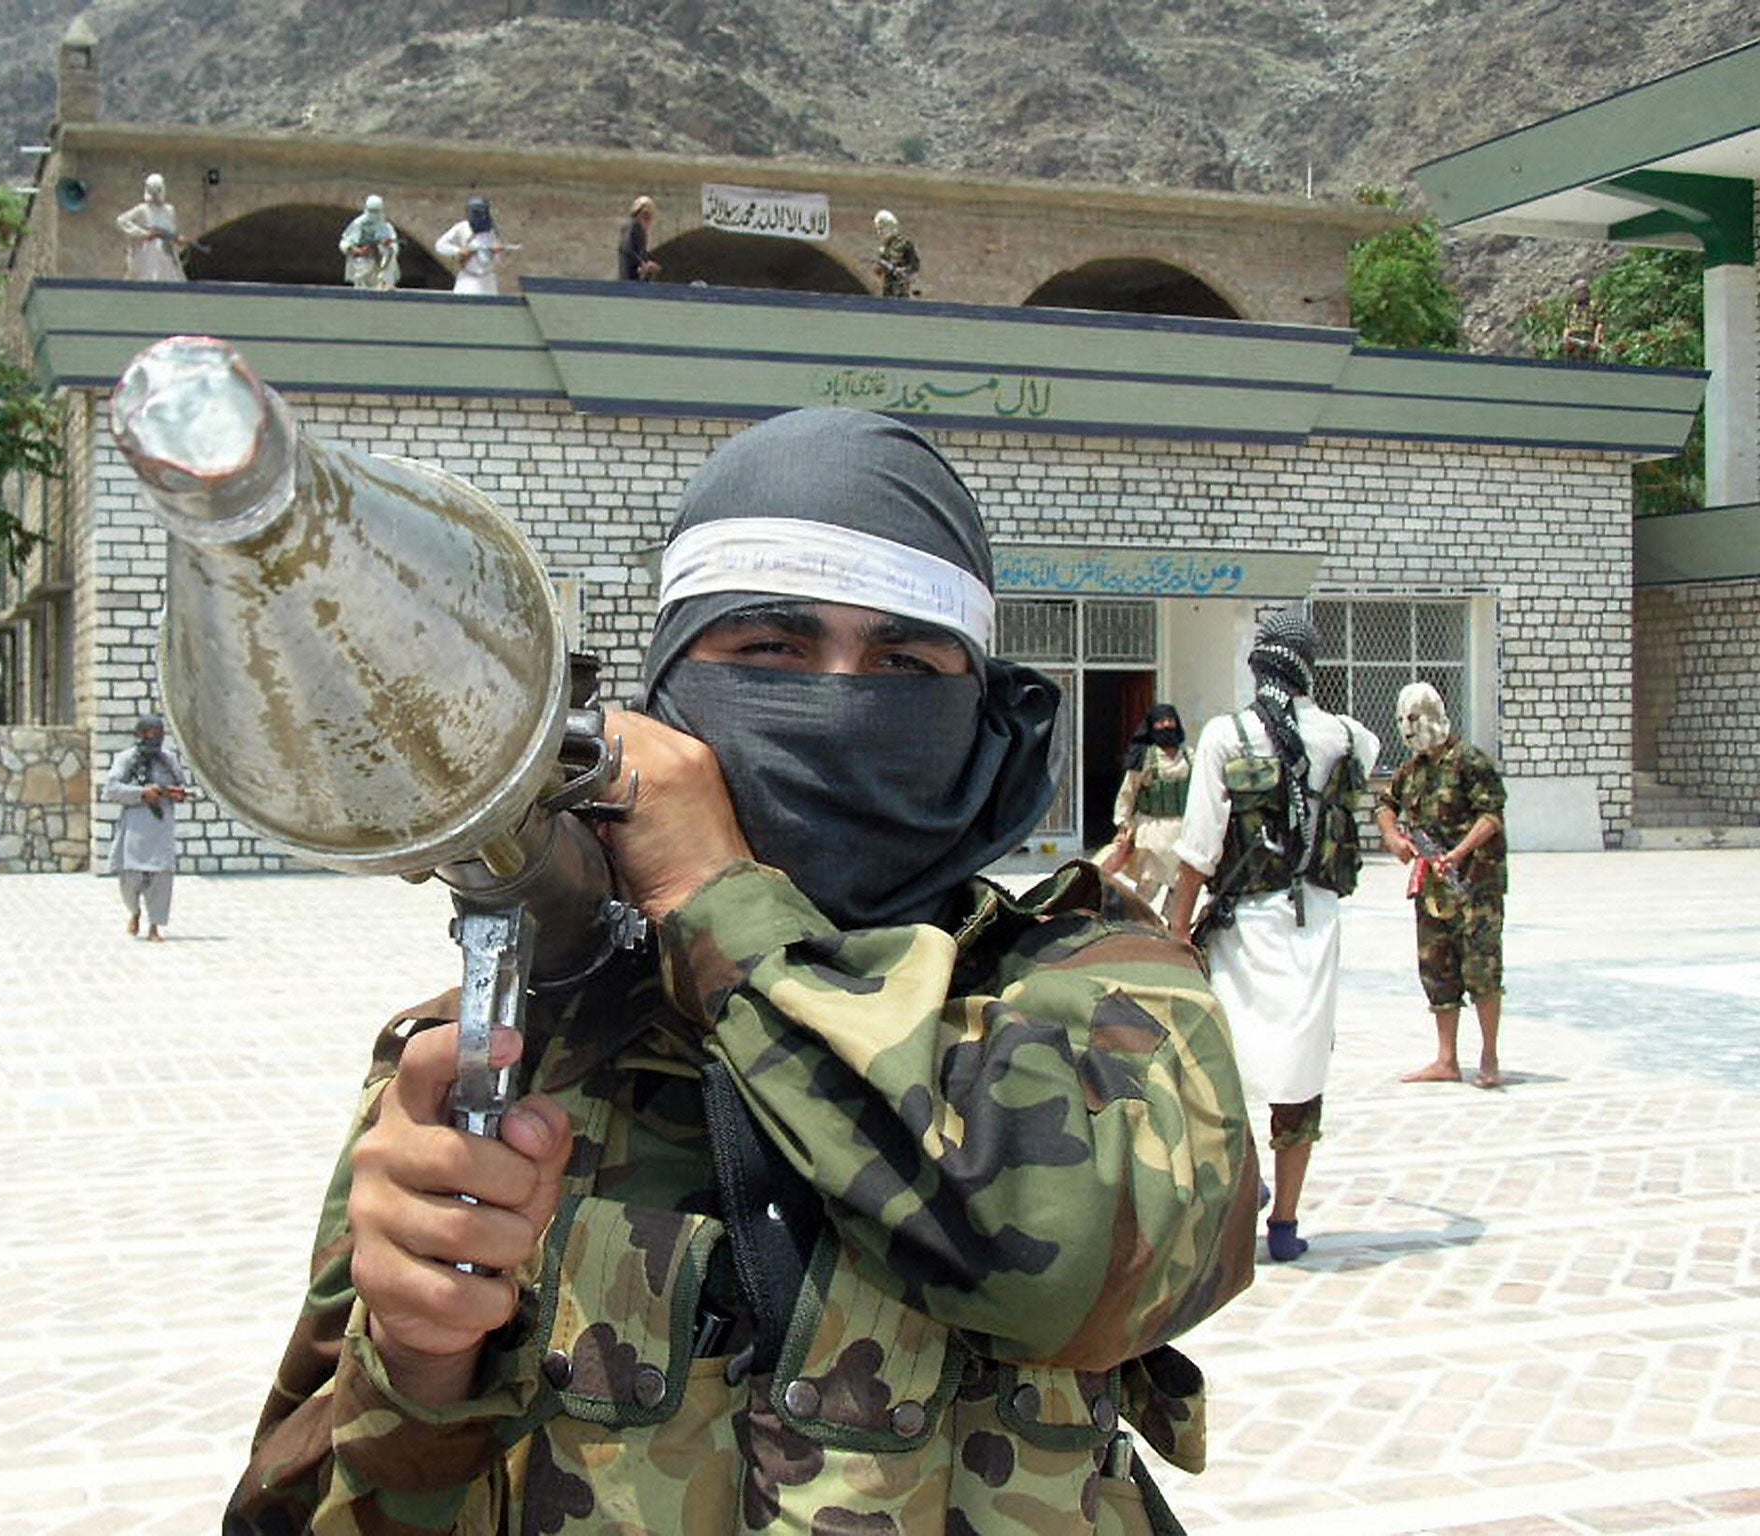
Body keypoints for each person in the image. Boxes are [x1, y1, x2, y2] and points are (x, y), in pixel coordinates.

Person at [225, 407, 1259, 1536]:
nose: (839, 691)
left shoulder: (1095, 988)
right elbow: (292, 1511)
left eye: (902, 660)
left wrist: (713, 899)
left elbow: (1070, 1258)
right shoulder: (499, 1054)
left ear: (979, 713)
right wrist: (420, 1364)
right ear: (669, 690)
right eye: (769, 650)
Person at [1168, 609, 1379, 1264]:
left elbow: (1199, 851)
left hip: (1243, 927)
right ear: (1309, 666)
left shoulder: (1226, 736)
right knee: (1300, 1072)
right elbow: (1370, 753)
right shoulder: (1345, 736)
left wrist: (1175, 934)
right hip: (1315, 926)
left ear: (1258, 663)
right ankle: (1283, 1226)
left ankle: (1242, 1186)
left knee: (1211, 1068)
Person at [1375, 682, 1508, 1089]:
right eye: (1404, 721)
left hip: (1474, 886)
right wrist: (1394, 838)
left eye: (1415, 719)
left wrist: (1460, 852)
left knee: (1481, 968)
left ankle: (1488, 1056)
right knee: (1436, 970)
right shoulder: (1413, 770)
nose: (1410, 729)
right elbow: (1385, 803)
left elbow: (1492, 815)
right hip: (1432, 891)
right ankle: (1446, 1059)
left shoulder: (1470, 761)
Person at [102, 714, 190, 941]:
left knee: (161, 879)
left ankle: (155, 927)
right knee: (130, 879)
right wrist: (141, 793)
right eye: (151, 733)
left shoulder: (169, 759)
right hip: (135, 830)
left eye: (159, 733)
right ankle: (134, 911)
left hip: (161, 829)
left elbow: (181, 786)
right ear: (140, 735)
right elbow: (111, 789)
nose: (155, 738)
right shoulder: (125, 759)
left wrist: (176, 794)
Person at [1095, 703, 1192, 908]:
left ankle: (1172, 931)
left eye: (1170, 720)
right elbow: (1128, 794)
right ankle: (1134, 924)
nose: (1166, 725)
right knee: (1148, 887)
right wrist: (1123, 824)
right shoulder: (1146, 759)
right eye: (1160, 721)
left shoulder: (1191, 757)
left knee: (1181, 888)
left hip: (1184, 833)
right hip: (1153, 832)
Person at [115, 173, 188, 283]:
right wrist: (143, 233)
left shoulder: (169, 210)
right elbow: (121, 221)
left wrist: (178, 239)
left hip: (165, 256)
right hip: (147, 255)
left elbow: (172, 231)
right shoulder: (143, 209)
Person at [434, 196, 512, 296]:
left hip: (487, 281)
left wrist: (495, 252)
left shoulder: (491, 230)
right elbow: (440, 245)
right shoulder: (462, 227)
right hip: (467, 280)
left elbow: (494, 260)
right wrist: (459, 251)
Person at [340, 195, 400, 290]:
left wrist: (385, 245)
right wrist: (358, 250)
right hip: (362, 263)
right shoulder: (358, 224)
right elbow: (345, 243)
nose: (374, 215)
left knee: (388, 252)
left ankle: (385, 282)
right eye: (372, 211)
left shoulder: (386, 226)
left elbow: (393, 245)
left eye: (376, 211)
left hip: (380, 263)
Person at [872, 208, 921, 298]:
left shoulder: (904, 244)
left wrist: (903, 270)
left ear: (891, 226)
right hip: (887, 288)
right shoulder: (884, 249)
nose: (880, 232)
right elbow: (879, 270)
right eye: (878, 229)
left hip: (901, 287)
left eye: (882, 228)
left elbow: (915, 264)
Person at [617, 193, 660, 282]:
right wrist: (642, 263)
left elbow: (641, 252)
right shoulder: (632, 225)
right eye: (646, 214)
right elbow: (626, 248)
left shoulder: (640, 229)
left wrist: (649, 262)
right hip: (629, 275)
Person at [1560, 277, 1605, 361]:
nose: (1577, 294)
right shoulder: (1571, 307)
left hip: (1588, 339)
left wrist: (1596, 340)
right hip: (1574, 339)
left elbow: (1600, 324)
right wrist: (1565, 340)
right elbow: (1567, 326)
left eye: (1580, 291)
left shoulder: (1594, 306)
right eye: (1576, 291)